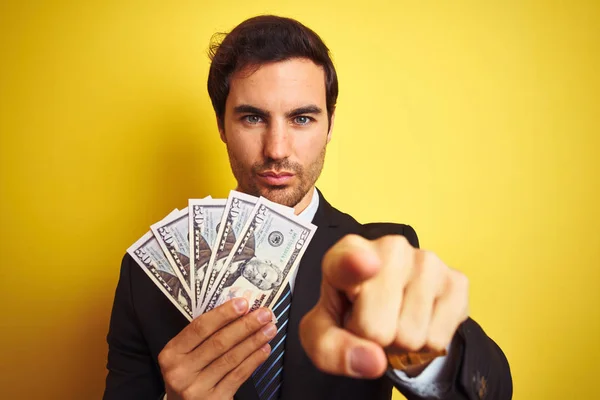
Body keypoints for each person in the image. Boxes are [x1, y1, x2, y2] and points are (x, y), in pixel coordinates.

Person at [104, 15, 512, 400]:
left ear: (329, 125)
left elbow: (491, 391)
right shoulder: (146, 278)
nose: (277, 149)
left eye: (301, 118)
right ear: (221, 125)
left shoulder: (381, 254)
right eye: (251, 118)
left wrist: (420, 356)